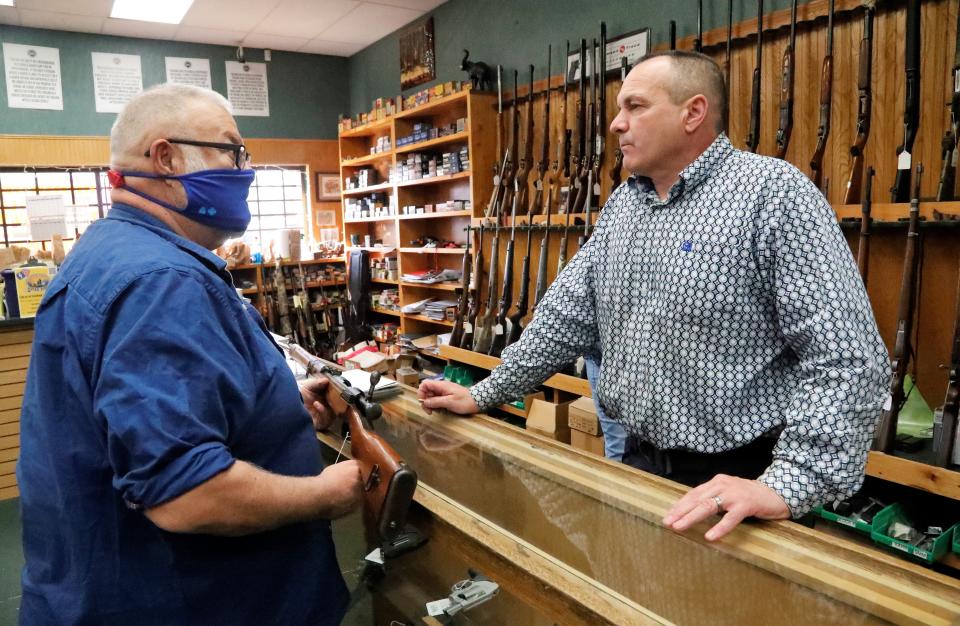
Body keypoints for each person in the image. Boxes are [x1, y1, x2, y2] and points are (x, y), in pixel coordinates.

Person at [419, 51, 888, 542]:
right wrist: (483, 394)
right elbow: (563, 318)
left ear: (693, 112)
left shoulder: (774, 195)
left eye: (635, 106)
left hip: (740, 482)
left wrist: (787, 484)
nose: (617, 125)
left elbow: (847, 356)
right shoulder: (625, 204)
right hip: (637, 464)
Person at [17, 84, 361, 625]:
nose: (243, 169)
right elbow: (189, 493)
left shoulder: (115, 253)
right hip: (190, 600)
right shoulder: (160, 281)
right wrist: (324, 494)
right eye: (232, 150)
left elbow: (138, 415)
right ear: (166, 158)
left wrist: (271, 403)